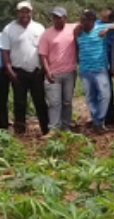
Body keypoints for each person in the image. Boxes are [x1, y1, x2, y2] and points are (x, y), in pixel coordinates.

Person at [0, 1, 50, 136]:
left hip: (37, 71)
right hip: (18, 72)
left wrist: (45, 69)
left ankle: (46, 129)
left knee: (40, 101)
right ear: (17, 13)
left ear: (31, 12)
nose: (25, 14)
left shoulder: (39, 28)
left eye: (27, 11)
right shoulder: (8, 29)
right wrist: (10, 71)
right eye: (22, 11)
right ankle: (20, 132)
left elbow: (45, 49)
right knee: (19, 103)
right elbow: (5, 51)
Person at [38, 7, 77, 137]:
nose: (57, 20)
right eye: (54, 17)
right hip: (53, 73)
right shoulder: (46, 34)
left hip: (70, 72)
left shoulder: (73, 29)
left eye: (59, 17)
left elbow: (89, 24)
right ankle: (54, 128)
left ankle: (66, 127)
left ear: (65, 18)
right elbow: (43, 55)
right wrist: (47, 72)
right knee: (54, 102)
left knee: (67, 102)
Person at [75, 10, 112, 133]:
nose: (82, 22)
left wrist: (108, 29)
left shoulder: (101, 28)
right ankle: (97, 123)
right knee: (90, 97)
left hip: (100, 68)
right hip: (85, 70)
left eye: (85, 20)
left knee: (104, 95)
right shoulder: (78, 32)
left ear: (92, 20)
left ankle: (99, 118)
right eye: (82, 20)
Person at [97, 7, 114, 126]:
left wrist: (108, 28)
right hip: (103, 63)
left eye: (105, 18)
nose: (101, 19)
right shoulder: (98, 24)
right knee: (106, 91)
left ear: (112, 19)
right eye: (101, 16)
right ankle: (109, 117)